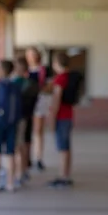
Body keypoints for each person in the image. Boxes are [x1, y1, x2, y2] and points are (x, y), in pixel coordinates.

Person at [0, 60, 23, 192]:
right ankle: (10, 183)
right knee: (11, 153)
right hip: (12, 123)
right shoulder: (15, 86)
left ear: (2, 70)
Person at [47, 51, 74, 188]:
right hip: (69, 115)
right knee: (67, 147)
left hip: (61, 116)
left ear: (57, 63)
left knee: (62, 147)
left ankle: (63, 177)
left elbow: (56, 99)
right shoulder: (69, 77)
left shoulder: (60, 79)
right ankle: (66, 175)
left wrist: (52, 117)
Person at [14, 56, 38, 186]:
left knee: (19, 144)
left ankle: (19, 172)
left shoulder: (15, 83)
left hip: (18, 117)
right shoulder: (31, 83)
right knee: (25, 143)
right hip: (28, 116)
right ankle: (24, 170)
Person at [26, 47, 49, 172]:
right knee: (27, 130)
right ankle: (27, 157)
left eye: (33, 54)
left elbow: (47, 85)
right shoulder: (24, 70)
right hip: (27, 102)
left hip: (39, 100)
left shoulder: (42, 70)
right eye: (29, 54)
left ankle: (39, 158)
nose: (31, 57)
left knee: (38, 131)